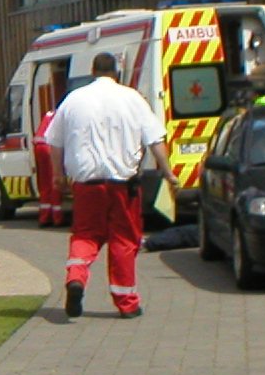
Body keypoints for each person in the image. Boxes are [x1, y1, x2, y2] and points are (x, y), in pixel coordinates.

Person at [46, 52, 180, 320]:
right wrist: (168, 174)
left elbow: (54, 142)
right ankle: (127, 303)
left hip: (86, 184)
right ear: (116, 72)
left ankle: (76, 278)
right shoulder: (132, 98)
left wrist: (58, 176)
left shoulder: (73, 100)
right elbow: (155, 140)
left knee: (85, 236)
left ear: (92, 71)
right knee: (124, 241)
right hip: (123, 185)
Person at [32, 107, 65, 226]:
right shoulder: (63, 113)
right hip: (49, 146)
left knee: (44, 183)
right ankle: (57, 218)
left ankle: (44, 217)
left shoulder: (49, 113)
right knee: (54, 181)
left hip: (38, 146)